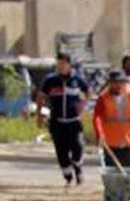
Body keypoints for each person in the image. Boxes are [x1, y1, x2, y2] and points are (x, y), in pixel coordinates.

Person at [35, 51, 91, 185]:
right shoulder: (50, 80)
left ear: (69, 65)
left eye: (64, 64)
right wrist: (40, 115)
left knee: (78, 147)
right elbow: (41, 98)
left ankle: (78, 167)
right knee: (62, 152)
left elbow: (88, 91)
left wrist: (83, 104)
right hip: (57, 122)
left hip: (74, 121)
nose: (61, 67)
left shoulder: (77, 79)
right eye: (59, 64)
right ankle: (68, 177)